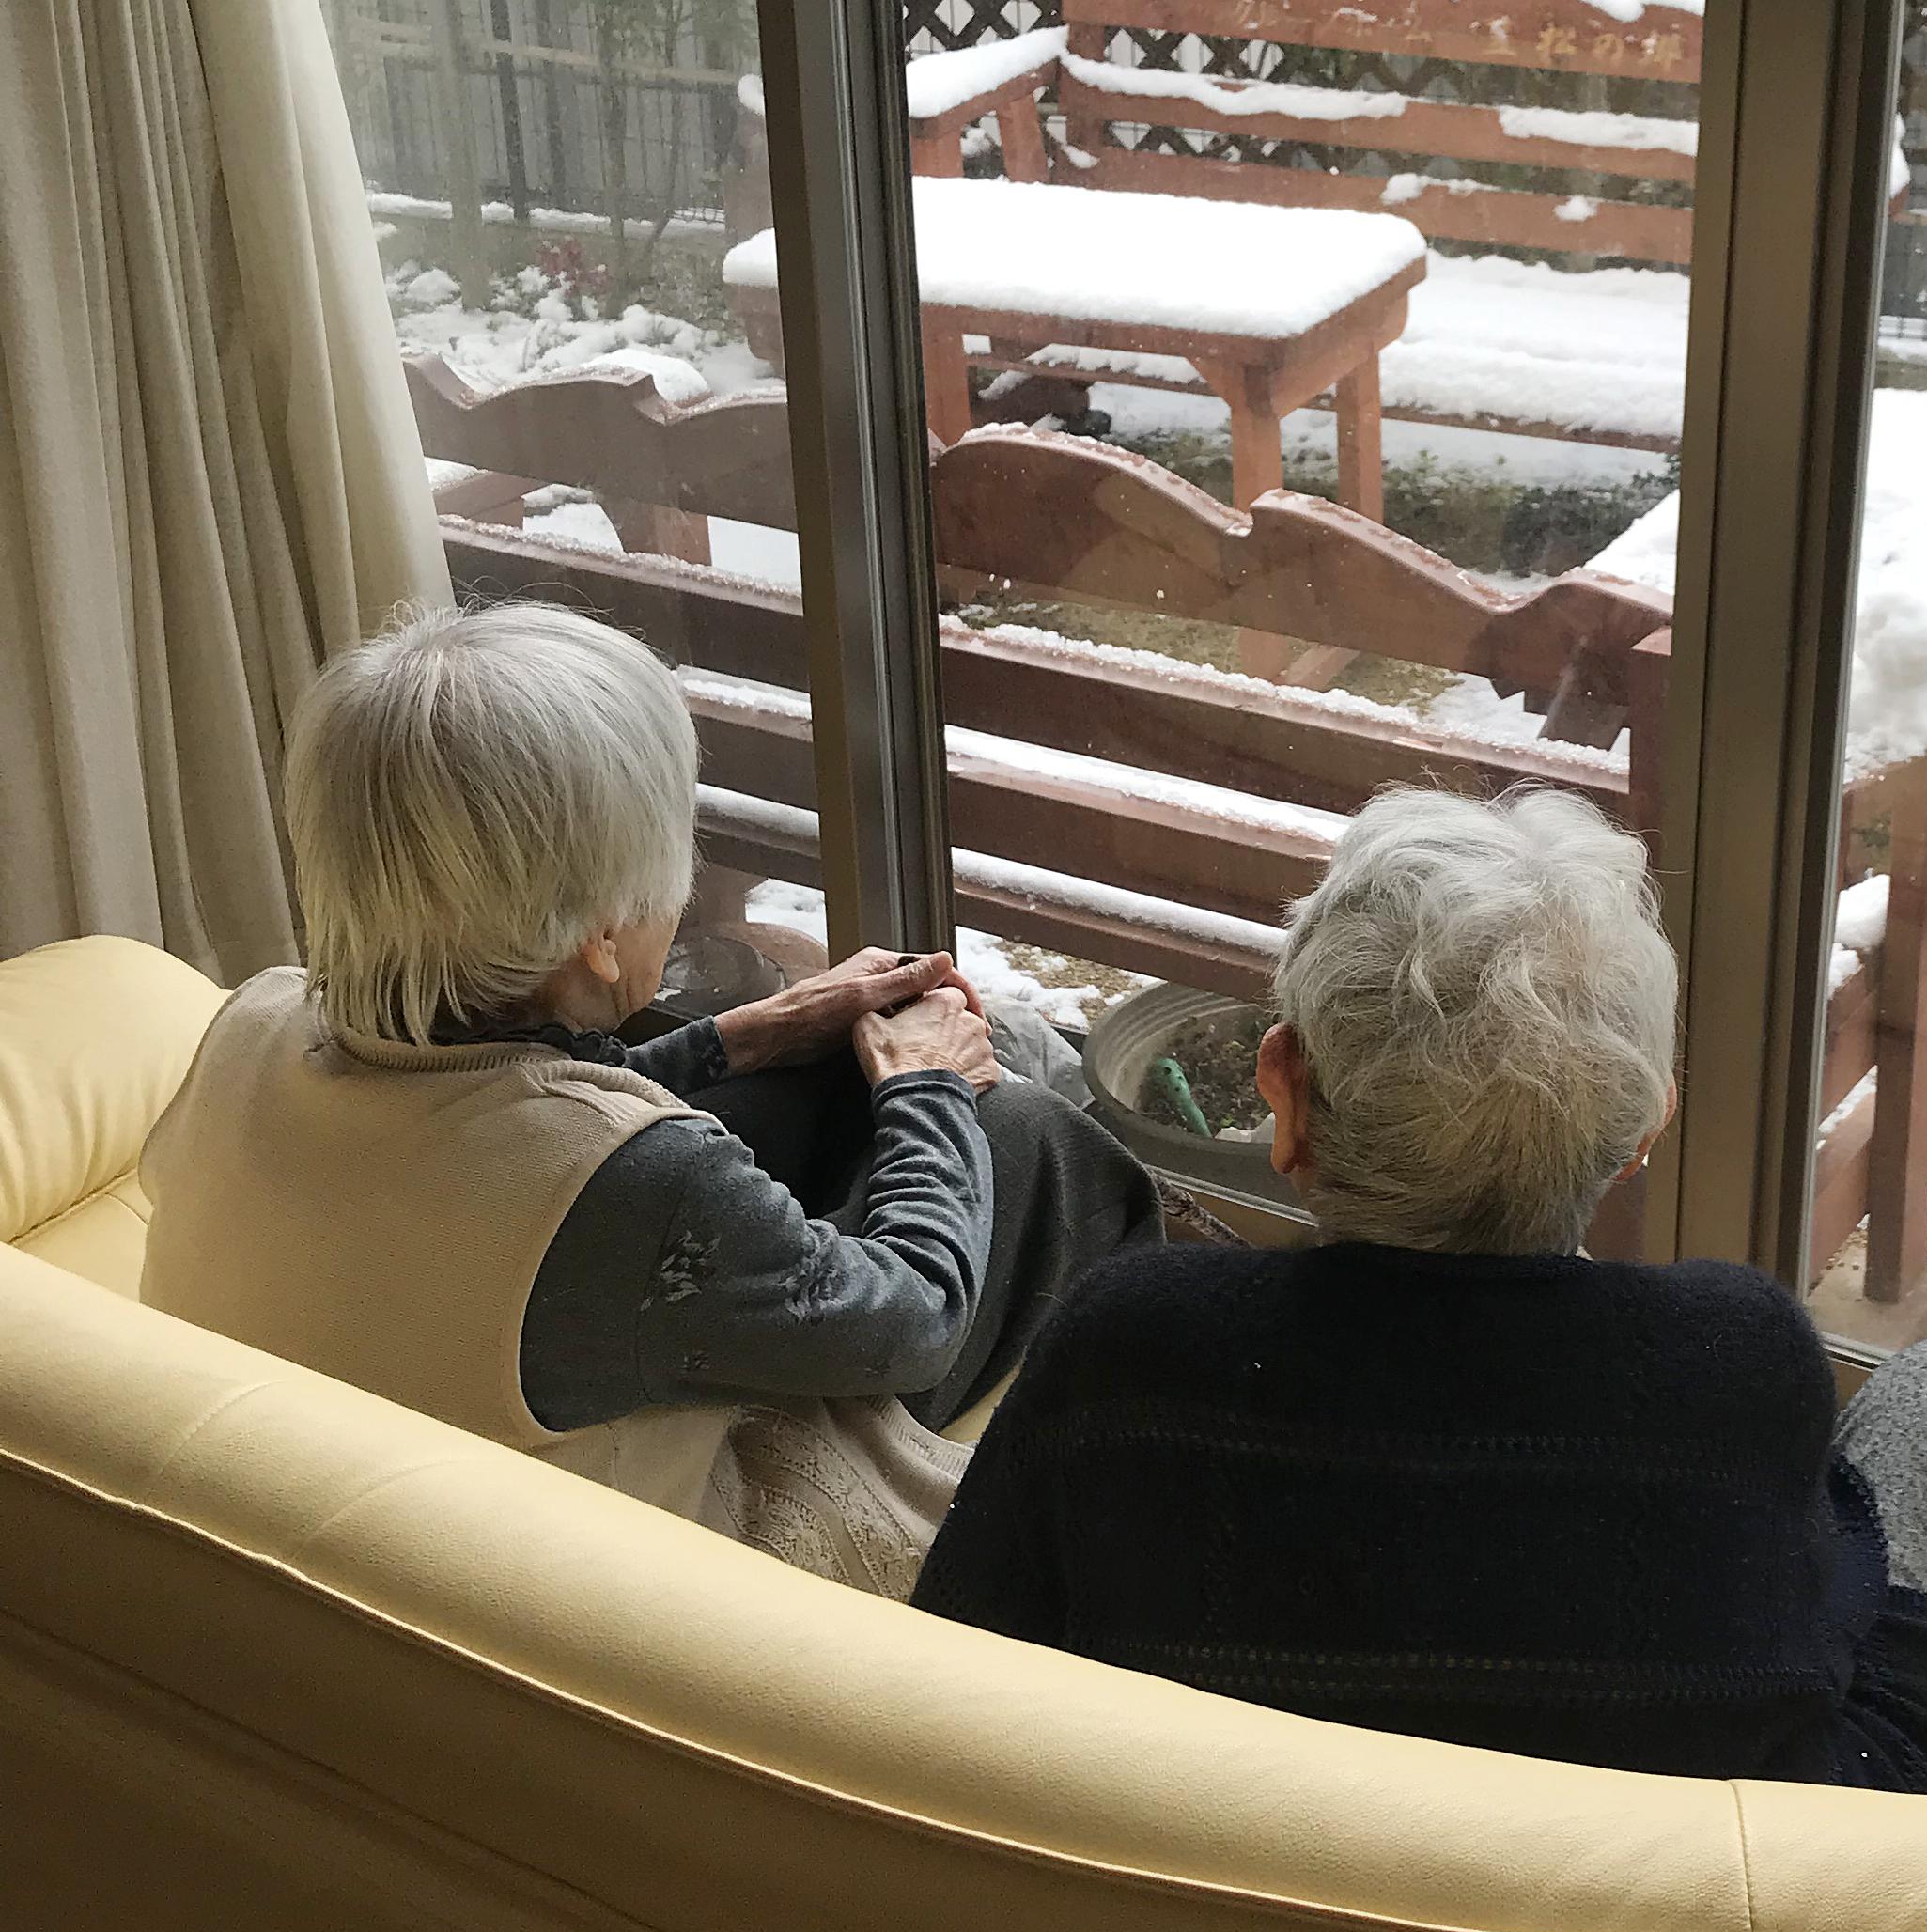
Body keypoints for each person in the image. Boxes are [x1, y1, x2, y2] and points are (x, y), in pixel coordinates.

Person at [915, 787, 1927, 1796]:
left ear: (1285, 1096)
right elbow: (1824, 1611)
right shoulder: (1731, 1359)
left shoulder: (1132, 1340)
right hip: (1795, 1878)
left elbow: (962, 1659)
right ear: (1640, 1132)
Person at [138, 603, 1161, 1583]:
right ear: (599, 929)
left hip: (340, 1463)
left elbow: (467, 1140)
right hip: (614, 1575)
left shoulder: (252, 1020)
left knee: (850, 1081)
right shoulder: (635, 1182)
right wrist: (930, 1087)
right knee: (1024, 1128)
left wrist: (749, 1035)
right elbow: (912, 1319)